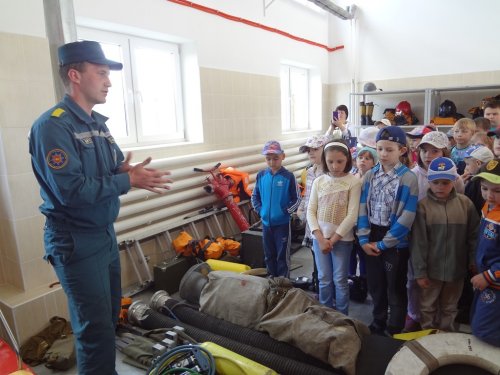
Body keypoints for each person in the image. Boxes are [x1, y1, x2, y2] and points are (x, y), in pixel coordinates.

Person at [28, 40, 172, 374]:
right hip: (76, 240)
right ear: (75, 75)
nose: (109, 82)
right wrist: (127, 180)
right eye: (102, 73)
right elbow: (71, 191)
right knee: (94, 331)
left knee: (107, 321)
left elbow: (101, 173)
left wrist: (120, 172)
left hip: (103, 235)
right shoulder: (54, 126)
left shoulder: (97, 125)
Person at [357, 126, 418, 336]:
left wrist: (384, 244)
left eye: (389, 150)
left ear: (401, 150)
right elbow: (362, 207)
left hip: (394, 241)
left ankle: (395, 325)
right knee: (376, 284)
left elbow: (407, 217)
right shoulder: (370, 176)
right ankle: (378, 320)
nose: (383, 154)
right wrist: (364, 239)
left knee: (395, 286)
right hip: (372, 233)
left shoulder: (408, 178)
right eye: (380, 149)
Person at [411, 157, 479, 331]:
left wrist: (473, 262)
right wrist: (420, 272)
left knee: (450, 307)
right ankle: (428, 335)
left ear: (454, 181)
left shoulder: (466, 205)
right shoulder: (422, 207)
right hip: (431, 271)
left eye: (445, 182)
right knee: (427, 306)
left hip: (456, 270)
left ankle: (446, 336)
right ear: (428, 181)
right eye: (435, 182)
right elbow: (418, 243)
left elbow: (474, 236)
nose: (440, 187)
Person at [307, 140, 362, 315]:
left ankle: (342, 316)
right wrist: (321, 238)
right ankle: (326, 314)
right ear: (324, 160)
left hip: (342, 240)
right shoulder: (319, 181)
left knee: (340, 279)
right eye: (330, 161)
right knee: (324, 279)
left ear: (348, 160)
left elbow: (352, 215)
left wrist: (333, 239)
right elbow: (311, 211)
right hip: (320, 239)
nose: (335, 166)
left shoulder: (353, 182)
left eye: (340, 161)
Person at [251, 140, 301, 278]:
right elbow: (255, 196)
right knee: (269, 254)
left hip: (282, 225)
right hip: (266, 224)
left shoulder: (288, 176)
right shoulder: (261, 175)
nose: (272, 162)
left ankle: (283, 283)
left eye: (275, 158)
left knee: (282, 255)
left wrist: (285, 211)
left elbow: (297, 199)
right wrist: (261, 211)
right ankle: (272, 280)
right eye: (268, 159)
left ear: (283, 156)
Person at [470, 159, 500, 347]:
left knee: (483, 329)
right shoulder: (487, 208)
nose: (489, 195)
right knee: (476, 319)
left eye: (497, 191)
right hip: (486, 279)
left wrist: (488, 276)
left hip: (494, 282)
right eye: (484, 188)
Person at [296, 134, 330, 290]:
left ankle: (327, 290)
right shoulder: (309, 172)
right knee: (315, 257)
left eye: (315, 149)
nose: (311, 153)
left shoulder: (330, 174)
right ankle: (317, 285)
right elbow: (307, 195)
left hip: (324, 225)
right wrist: (301, 208)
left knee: (325, 261)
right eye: (309, 150)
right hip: (310, 224)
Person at [350, 146, 377, 287]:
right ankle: (351, 279)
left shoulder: (374, 177)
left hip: (366, 221)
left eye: (367, 158)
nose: (363, 161)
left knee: (363, 253)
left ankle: (365, 282)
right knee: (350, 252)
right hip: (351, 221)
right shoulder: (352, 176)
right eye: (360, 158)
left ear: (374, 162)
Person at [463, 145, 495, 215]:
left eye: (467, 164)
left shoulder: (476, 182)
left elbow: (467, 202)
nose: (466, 168)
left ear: (478, 163)